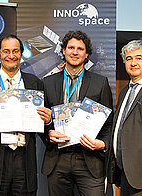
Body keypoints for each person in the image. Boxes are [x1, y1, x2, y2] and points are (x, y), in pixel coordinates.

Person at [0, 34, 51, 196]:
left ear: (21, 54)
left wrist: (48, 121)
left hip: (24, 159)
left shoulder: (35, 83)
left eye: (15, 51)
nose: (11, 56)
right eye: (6, 51)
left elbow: (43, 126)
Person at [42, 30, 113, 196]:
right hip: (58, 158)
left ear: (86, 54)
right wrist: (48, 132)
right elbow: (42, 120)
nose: (75, 52)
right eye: (71, 47)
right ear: (64, 50)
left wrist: (103, 144)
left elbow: (109, 122)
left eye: (80, 49)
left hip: (89, 157)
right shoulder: (48, 82)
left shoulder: (100, 83)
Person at [107, 40, 142, 195]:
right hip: (125, 176)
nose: (133, 63)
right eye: (129, 59)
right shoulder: (124, 92)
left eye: (139, 58)